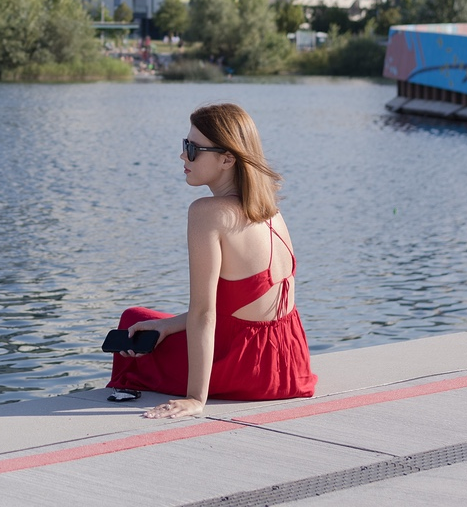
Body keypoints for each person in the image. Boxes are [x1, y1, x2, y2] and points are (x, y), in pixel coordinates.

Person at [107, 104, 318, 417]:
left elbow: (205, 313)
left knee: (131, 319)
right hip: (289, 364)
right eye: (184, 145)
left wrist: (195, 399)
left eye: (193, 149)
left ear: (227, 159)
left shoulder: (207, 213)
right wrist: (168, 325)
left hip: (247, 369)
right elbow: (239, 308)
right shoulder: (270, 212)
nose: (183, 156)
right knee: (151, 324)